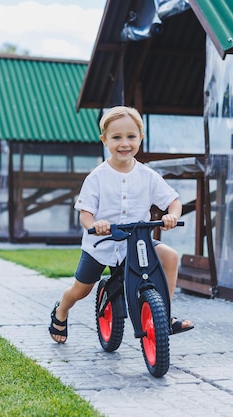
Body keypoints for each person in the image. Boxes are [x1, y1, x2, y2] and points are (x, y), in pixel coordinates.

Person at [49, 106, 194, 344]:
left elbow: (173, 201)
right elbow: (85, 215)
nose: (124, 143)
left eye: (131, 137)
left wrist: (172, 216)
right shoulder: (97, 177)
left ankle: (165, 316)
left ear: (141, 139)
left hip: (136, 243)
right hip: (101, 245)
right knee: (81, 290)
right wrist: (96, 225)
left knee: (169, 257)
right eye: (116, 137)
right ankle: (61, 311)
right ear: (104, 140)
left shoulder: (148, 176)